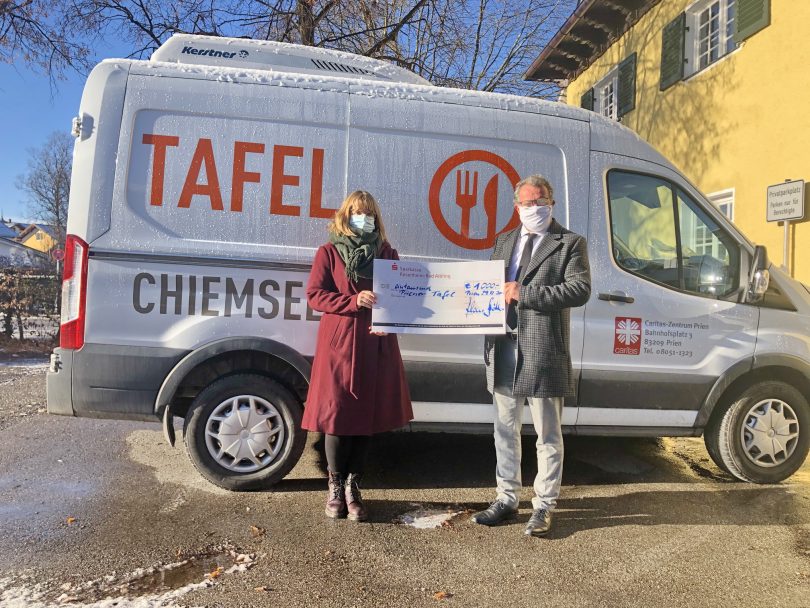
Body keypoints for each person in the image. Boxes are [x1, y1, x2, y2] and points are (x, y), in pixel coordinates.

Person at [471, 174, 591, 537]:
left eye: (540, 201)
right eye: (527, 203)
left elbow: (579, 289)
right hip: (503, 347)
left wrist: (525, 294)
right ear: (516, 206)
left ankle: (543, 506)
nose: (534, 208)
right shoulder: (504, 240)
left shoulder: (570, 243)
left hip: (543, 350)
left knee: (547, 435)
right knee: (504, 430)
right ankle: (506, 498)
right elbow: (486, 287)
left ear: (551, 203)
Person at [304, 190, 413, 522]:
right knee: (336, 419)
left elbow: (401, 296)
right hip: (339, 346)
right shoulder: (329, 252)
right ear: (345, 215)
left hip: (375, 344)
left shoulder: (387, 253)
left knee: (366, 419)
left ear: (376, 218)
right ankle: (335, 485)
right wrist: (352, 301)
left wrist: (388, 318)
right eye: (356, 212)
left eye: (368, 213)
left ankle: (354, 486)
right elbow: (315, 295)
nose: (362, 218)